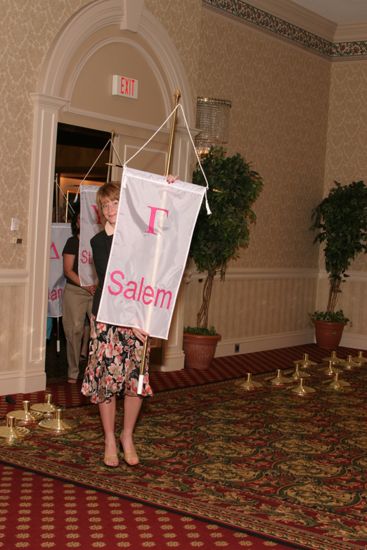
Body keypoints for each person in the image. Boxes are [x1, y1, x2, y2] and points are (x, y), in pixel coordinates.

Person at [82, 176, 175, 468]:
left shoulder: (145, 235)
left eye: (116, 202)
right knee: (107, 382)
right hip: (110, 319)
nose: (110, 209)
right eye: (105, 205)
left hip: (139, 320)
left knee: (136, 382)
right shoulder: (98, 241)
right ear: (100, 211)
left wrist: (167, 191)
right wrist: (129, 318)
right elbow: (114, 281)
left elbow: (170, 233)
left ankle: (127, 436)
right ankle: (109, 438)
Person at [62, 205, 96, 383]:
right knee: (74, 330)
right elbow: (67, 270)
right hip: (76, 291)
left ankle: (95, 371)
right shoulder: (72, 242)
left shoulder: (98, 241)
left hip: (96, 291)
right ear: (76, 223)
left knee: (98, 332)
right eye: (80, 220)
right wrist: (85, 284)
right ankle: (73, 371)